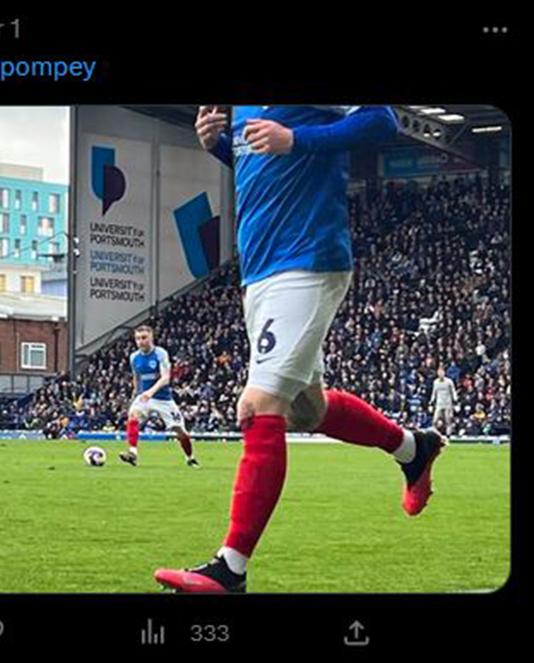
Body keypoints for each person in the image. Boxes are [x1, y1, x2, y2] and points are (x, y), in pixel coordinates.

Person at [154, 106, 446, 593]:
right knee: (307, 411)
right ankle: (414, 448)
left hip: (306, 259)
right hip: (260, 271)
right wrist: (220, 146)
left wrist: (297, 139)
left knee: (258, 406)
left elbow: (382, 120)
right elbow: (264, 163)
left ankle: (230, 569)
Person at [121, 326, 199, 467]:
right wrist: (136, 393)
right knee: (133, 415)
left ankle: (190, 458)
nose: (141, 341)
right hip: (144, 397)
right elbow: (136, 377)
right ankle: (132, 453)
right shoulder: (134, 357)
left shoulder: (160, 353)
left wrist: (150, 392)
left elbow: (165, 378)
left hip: (163, 399)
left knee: (180, 431)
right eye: (138, 338)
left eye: (144, 338)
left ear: (151, 338)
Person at [430, 366, 458, 435]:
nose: (440, 374)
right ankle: (435, 433)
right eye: (439, 373)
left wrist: (455, 400)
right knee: (435, 420)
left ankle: (448, 434)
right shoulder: (435, 382)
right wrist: (431, 402)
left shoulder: (449, 381)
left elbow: (453, 391)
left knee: (448, 420)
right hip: (439, 403)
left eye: (442, 372)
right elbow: (434, 392)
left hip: (448, 403)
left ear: (444, 373)